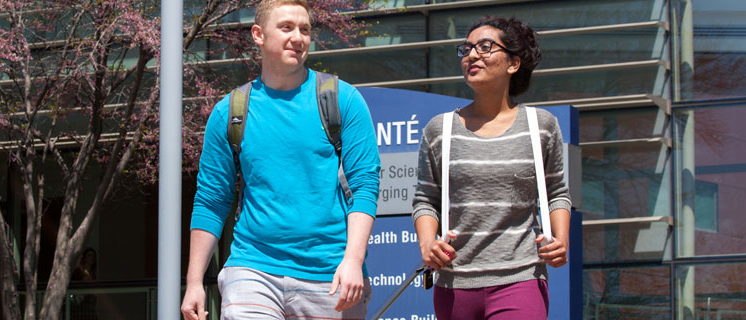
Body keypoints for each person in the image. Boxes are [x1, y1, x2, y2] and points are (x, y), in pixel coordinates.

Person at [179, 1, 381, 319]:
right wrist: (193, 282)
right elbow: (211, 201)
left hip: (330, 274)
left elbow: (365, 186)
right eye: (286, 27)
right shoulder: (230, 112)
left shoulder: (343, 100)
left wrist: (353, 261)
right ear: (258, 34)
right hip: (252, 269)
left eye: (305, 29)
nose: (298, 37)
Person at [412, 16, 571, 320]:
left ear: (513, 64)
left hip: (521, 279)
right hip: (454, 283)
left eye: (485, 47)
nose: (472, 55)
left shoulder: (542, 126)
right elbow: (425, 200)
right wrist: (428, 243)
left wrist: (561, 240)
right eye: (467, 48)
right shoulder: (439, 130)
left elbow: (557, 193)